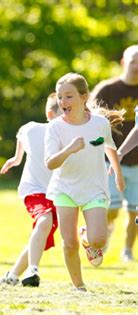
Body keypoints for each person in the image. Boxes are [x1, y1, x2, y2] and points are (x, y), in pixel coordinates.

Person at [45, 73, 125, 291]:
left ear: (84, 97)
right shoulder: (54, 127)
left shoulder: (99, 124)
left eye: (68, 96)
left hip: (94, 187)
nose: (63, 102)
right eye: (60, 97)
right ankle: (78, 286)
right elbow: (50, 163)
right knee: (69, 243)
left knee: (99, 239)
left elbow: (109, 147)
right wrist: (69, 149)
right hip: (65, 188)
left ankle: (88, 240)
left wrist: (117, 173)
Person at [0, 93, 61, 287]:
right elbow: (21, 133)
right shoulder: (33, 129)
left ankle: (12, 274)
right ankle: (33, 271)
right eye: (64, 112)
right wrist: (16, 158)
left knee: (40, 236)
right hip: (34, 189)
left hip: (57, 193)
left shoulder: (71, 135)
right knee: (44, 223)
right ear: (50, 115)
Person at [90, 45, 138, 262]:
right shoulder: (107, 90)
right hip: (109, 161)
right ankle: (103, 238)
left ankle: (127, 250)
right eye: (133, 61)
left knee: (135, 211)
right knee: (111, 208)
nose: (136, 66)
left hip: (137, 163)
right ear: (123, 62)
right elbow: (88, 118)